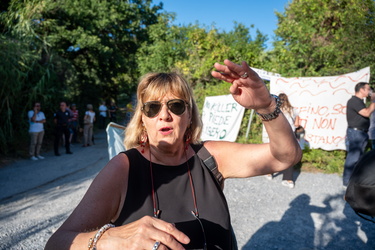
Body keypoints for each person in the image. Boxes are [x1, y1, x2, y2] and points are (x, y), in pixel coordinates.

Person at [45, 60, 302, 250]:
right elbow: (57, 243)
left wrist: (267, 106)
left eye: (176, 106)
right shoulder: (123, 168)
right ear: (142, 119)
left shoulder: (210, 156)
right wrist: (109, 238)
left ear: (189, 116)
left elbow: (284, 158)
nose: (164, 115)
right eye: (153, 107)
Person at [343, 82, 375, 187]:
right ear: (362, 89)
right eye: (368, 89)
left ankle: (354, 180)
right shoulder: (354, 101)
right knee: (353, 157)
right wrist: (374, 100)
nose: (370, 91)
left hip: (361, 132)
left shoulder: (360, 101)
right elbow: (366, 113)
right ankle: (347, 182)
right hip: (356, 133)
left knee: (358, 158)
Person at [266, 93, 300, 188]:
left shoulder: (275, 110)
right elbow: (297, 124)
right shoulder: (293, 110)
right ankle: (288, 180)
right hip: (290, 136)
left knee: (273, 154)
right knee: (289, 157)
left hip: (276, 135)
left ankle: (269, 173)